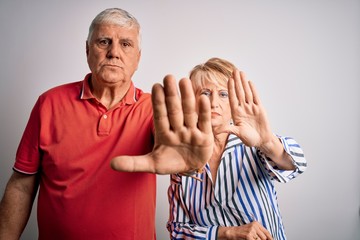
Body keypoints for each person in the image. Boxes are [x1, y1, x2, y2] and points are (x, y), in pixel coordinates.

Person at [0, 8, 213, 240]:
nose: (114, 53)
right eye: (104, 42)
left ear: (138, 58)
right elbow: (21, 184)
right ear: (87, 50)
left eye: (125, 44)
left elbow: (175, 151)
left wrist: (190, 165)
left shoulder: (155, 110)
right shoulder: (49, 103)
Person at [166, 58, 307, 240]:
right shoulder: (182, 159)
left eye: (223, 94)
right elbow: (177, 229)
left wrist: (266, 142)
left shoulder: (253, 144)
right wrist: (225, 233)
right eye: (205, 93)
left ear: (235, 102)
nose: (214, 102)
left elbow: (296, 165)